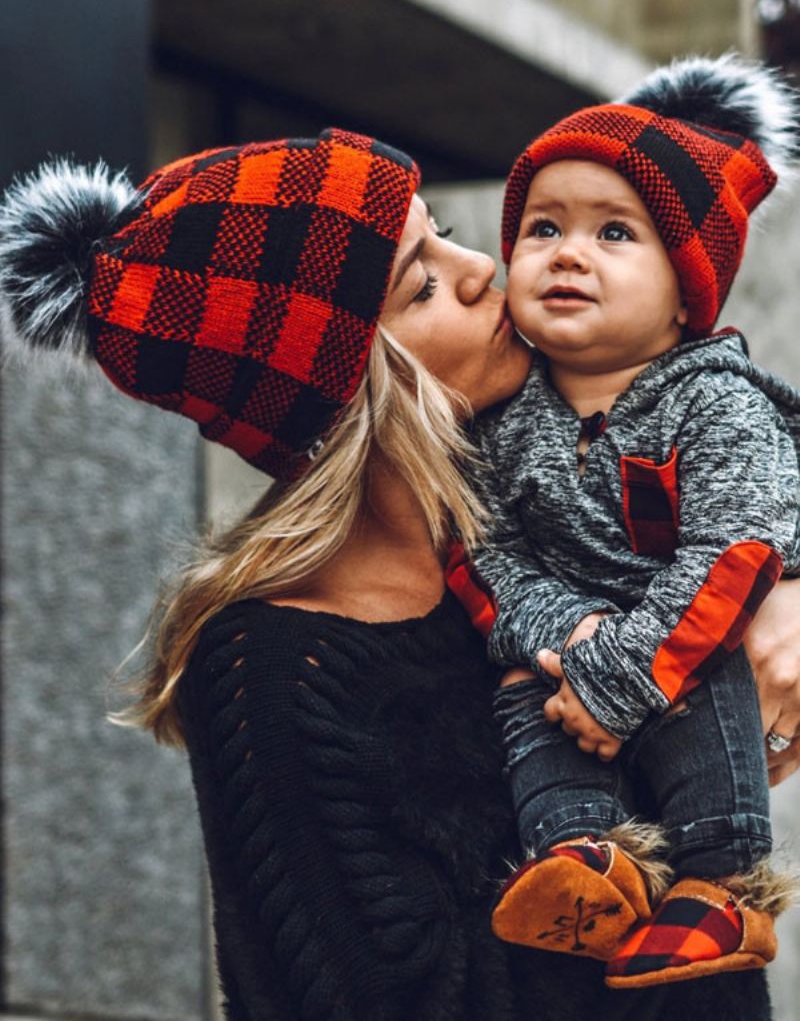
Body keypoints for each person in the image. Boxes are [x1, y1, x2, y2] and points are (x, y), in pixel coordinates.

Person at [1, 126, 800, 1020]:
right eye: (422, 283)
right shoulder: (273, 667)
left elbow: (744, 484)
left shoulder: (557, 528)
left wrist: (783, 598)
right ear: (344, 388)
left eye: (447, 231)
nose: (478, 271)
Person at [469, 55, 800, 988]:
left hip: (687, 641)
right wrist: (557, 635)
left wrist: (622, 669)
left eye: (615, 232)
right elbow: (483, 547)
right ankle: (586, 858)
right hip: (566, 656)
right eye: (542, 228)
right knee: (522, 700)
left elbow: (736, 551)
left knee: (709, 687)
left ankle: (722, 884)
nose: (567, 253)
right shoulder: (502, 417)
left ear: (687, 287)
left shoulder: (714, 402)